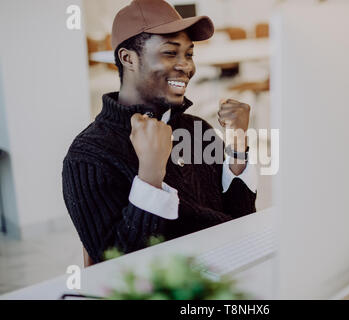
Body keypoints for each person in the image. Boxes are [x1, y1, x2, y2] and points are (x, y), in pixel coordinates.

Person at [62, 0, 257, 264]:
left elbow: (241, 221)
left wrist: (237, 143)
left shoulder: (197, 129)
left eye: (189, 54)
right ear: (128, 58)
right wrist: (150, 176)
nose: (186, 66)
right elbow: (116, 268)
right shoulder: (88, 156)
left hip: (226, 275)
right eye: (170, 53)